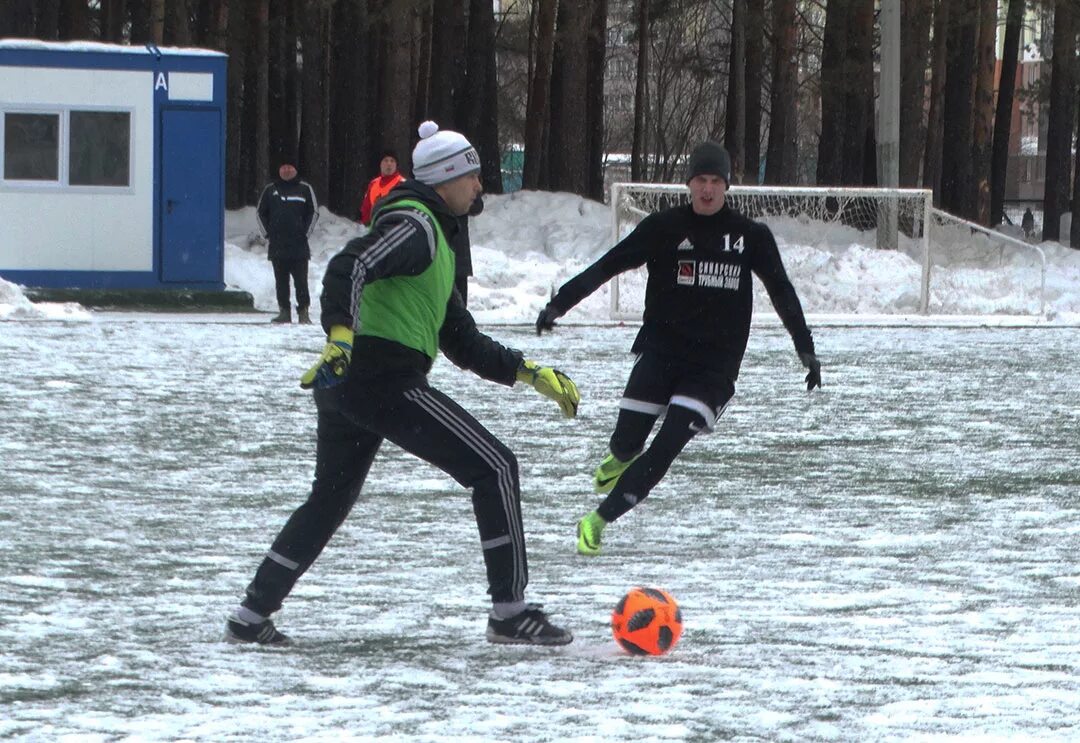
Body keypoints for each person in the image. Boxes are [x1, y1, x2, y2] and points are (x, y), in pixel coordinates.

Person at [225, 121, 580, 647]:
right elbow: (350, 264)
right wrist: (341, 334)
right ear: (446, 181)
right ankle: (510, 612)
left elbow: (459, 338)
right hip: (378, 377)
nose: (480, 187)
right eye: (473, 176)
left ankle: (251, 615)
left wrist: (529, 373)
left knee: (329, 499)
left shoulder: (433, 236)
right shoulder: (416, 224)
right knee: (495, 467)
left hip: (354, 380)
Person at [535, 140, 821, 556]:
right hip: (661, 353)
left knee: (665, 447)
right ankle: (619, 458)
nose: (708, 190)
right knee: (626, 443)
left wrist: (805, 348)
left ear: (726, 186)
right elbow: (608, 265)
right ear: (689, 184)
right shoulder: (664, 228)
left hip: (713, 368)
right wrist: (560, 303)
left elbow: (782, 290)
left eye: (716, 181)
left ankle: (597, 520)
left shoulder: (750, 237)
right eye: (701, 180)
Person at [256, 160, 319, 324]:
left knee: (301, 281)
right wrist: (268, 234)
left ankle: (303, 312)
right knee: (281, 282)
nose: (286, 170)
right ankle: (284, 311)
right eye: (283, 167)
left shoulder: (305, 189)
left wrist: (305, 233)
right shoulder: (270, 190)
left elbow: (313, 212)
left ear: (295, 169)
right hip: (277, 246)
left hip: (299, 246)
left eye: (290, 167)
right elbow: (260, 213)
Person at [359, 150, 404, 226]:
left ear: (396, 165)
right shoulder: (373, 184)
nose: (389, 164)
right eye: (386, 160)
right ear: (380, 164)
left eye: (392, 161)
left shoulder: (402, 184)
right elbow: (366, 210)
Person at [453, 195, 484, 305]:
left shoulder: (463, 181)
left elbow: (477, 206)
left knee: (459, 306)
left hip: (458, 256)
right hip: (451, 255)